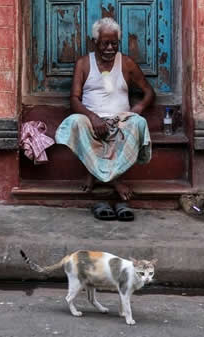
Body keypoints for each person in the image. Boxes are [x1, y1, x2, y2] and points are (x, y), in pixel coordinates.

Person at [54, 17, 155, 221]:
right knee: (74, 123)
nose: (109, 48)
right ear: (95, 43)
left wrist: (138, 108)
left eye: (114, 43)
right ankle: (113, 179)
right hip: (92, 121)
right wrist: (92, 118)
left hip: (121, 120)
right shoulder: (83, 64)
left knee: (138, 124)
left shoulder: (126, 63)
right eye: (104, 44)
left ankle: (98, 176)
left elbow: (149, 92)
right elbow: (74, 99)